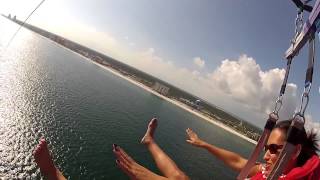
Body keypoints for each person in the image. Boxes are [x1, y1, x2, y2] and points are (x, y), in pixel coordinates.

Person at [113, 119, 320, 179]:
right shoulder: (270, 171)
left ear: (296, 150)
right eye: (267, 148)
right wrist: (204, 144)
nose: (267, 154)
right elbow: (240, 162)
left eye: (275, 149)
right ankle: (149, 140)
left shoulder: (301, 176)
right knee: (179, 178)